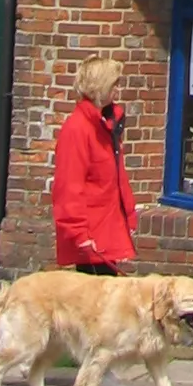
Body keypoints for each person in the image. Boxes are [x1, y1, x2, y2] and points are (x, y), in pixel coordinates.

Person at [52, 55, 137, 273]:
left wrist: (129, 216)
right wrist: (79, 234)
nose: (118, 89)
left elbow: (117, 178)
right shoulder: (78, 129)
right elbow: (69, 188)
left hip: (108, 229)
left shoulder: (106, 126)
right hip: (91, 236)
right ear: (100, 86)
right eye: (114, 84)